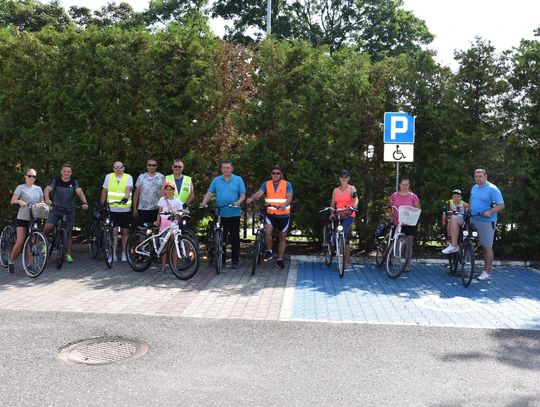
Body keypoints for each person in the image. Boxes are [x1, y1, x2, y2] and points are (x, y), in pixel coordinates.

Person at [443, 169, 504, 281]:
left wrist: (490, 212)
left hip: (486, 221)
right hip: (472, 217)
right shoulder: (474, 187)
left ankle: (486, 272)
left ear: (486, 176)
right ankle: (454, 245)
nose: (478, 178)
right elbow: (471, 202)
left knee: (487, 247)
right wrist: (466, 211)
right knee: (454, 218)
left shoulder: (493, 189)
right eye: (476, 177)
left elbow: (501, 205)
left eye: (480, 176)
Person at [199, 161, 246, 269]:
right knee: (221, 238)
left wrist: (238, 202)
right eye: (224, 168)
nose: (226, 169)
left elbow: (243, 195)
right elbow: (209, 193)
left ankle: (235, 261)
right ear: (221, 169)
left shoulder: (238, 179)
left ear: (232, 169)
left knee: (235, 238)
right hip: (220, 213)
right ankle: (222, 260)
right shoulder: (216, 180)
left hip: (234, 213)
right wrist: (204, 202)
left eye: (228, 168)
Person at [246, 164, 294, 270]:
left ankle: (280, 259)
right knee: (267, 231)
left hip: (284, 215)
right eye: (273, 173)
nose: (275, 175)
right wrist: (251, 198)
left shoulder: (287, 184)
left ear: (281, 174)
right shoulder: (266, 184)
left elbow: (290, 197)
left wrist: (285, 204)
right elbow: (259, 193)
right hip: (270, 214)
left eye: (278, 173)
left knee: (282, 237)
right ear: (271, 174)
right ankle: (269, 251)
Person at [43, 163, 89, 263]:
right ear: (61, 172)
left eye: (68, 172)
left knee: (68, 232)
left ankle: (68, 254)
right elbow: (47, 189)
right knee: (48, 227)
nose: (66, 173)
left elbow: (79, 192)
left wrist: (84, 203)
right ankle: (44, 243)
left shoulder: (74, 182)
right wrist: (47, 199)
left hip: (69, 209)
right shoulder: (56, 180)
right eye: (64, 171)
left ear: (71, 173)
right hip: (56, 208)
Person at [7, 168, 44, 273]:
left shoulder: (38, 188)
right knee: (20, 241)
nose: (32, 178)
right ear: (25, 177)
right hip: (23, 217)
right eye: (29, 176)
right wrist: (19, 201)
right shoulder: (20, 187)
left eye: (34, 176)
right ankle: (11, 261)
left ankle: (30, 264)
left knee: (31, 242)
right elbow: (12, 201)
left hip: (34, 217)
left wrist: (44, 205)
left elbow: (42, 201)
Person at [100, 161, 133, 262]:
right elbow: (104, 190)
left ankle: (124, 253)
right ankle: (113, 254)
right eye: (115, 167)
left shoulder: (128, 177)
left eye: (119, 167)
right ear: (113, 168)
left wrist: (125, 198)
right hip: (112, 208)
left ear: (123, 168)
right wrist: (102, 204)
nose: (117, 169)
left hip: (125, 208)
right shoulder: (109, 177)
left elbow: (128, 189)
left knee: (125, 231)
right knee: (113, 231)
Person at [388, 178, 420, 271]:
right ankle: (395, 261)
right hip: (397, 222)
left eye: (406, 185)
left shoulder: (413, 196)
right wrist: (391, 216)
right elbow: (390, 207)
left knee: (408, 244)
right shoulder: (394, 195)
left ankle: (407, 265)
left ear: (409, 186)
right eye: (403, 184)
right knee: (397, 242)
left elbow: (418, 209)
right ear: (400, 185)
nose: (404, 186)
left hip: (410, 223)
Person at [329, 170, 358, 269]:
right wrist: (332, 213)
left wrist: (355, 205)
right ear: (339, 178)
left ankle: (343, 261)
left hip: (349, 215)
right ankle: (347, 260)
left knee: (342, 232)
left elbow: (356, 199)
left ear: (348, 178)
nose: (344, 179)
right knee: (344, 236)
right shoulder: (335, 190)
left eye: (346, 177)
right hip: (339, 215)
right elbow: (333, 204)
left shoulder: (352, 188)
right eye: (342, 177)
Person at [155, 181, 183, 273]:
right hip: (164, 224)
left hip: (174, 224)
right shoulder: (162, 200)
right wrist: (158, 220)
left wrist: (178, 217)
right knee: (164, 245)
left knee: (174, 245)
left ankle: (174, 266)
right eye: (167, 189)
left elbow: (180, 213)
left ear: (173, 190)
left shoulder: (177, 201)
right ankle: (163, 267)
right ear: (165, 190)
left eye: (171, 189)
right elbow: (159, 211)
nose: (169, 191)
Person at [133, 159, 164, 228]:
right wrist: (135, 208)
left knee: (156, 230)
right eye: (149, 165)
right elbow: (136, 193)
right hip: (143, 209)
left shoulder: (161, 177)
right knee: (142, 230)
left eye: (154, 165)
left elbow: (163, 195)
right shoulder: (141, 177)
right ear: (147, 166)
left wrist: (162, 209)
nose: (151, 167)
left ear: (156, 166)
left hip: (156, 209)